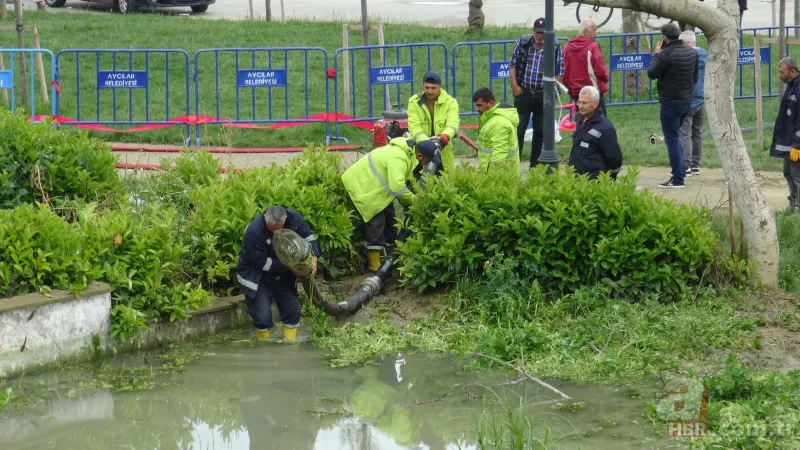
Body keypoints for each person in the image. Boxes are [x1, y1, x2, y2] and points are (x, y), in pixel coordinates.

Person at [341, 137, 438, 271]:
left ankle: (389, 260)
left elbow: (407, 180)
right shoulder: (398, 158)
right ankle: (374, 265)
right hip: (363, 186)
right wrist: (416, 201)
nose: (426, 164)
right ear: (420, 155)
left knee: (392, 221)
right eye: (426, 161)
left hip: (376, 188)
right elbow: (398, 187)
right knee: (377, 223)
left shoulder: (410, 153)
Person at [236, 205, 320, 341]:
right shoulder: (253, 232)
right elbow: (262, 262)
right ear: (265, 217)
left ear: (285, 218)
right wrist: (293, 268)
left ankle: (290, 347)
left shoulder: (293, 219)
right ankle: (264, 349)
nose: (276, 232)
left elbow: (309, 238)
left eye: (279, 228)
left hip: (283, 276)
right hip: (259, 277)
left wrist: (314, 260)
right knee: (262, 316)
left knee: (292, 311)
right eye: (272, 228)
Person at [647, 23, 698, 189]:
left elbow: (652, 73)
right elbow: (694, 78)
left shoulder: (664, 55)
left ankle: (677, 179)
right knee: (676, 137)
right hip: (686, 102)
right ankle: (680, 172)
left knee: (672, 140)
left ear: (664, 38)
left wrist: (656, 54)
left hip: (670, 103)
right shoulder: (692, 53)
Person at [509, 17, 565, 169]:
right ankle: (515, 162)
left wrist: (555, 87)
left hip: (543, 94)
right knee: (519, 129)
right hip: (524, 92)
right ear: (533, 31)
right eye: (537, 32)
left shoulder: (555, 46)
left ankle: (535, 165)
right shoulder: (524, 43)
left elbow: (560, 69)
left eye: (543, 33)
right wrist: (515, 85)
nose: (539, 36)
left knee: (540, 131)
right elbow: (513, 64)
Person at [407, 71, 460, 173]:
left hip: (443, 152)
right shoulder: (414, 102)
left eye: (433, 88)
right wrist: (427, 144)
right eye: (427, 88)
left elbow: (453, 123)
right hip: (421, 153)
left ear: (440, 86)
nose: (430, 91)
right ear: (423, 85)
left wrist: (446, 135)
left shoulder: (451, 102)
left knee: (446, 182)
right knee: (420, 183)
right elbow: (414, 126)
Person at [458, 88, 520, 174]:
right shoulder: (491, 118)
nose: (476, 109)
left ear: (490, 103)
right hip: (497, 172)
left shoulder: (498, 123)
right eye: (476, 105)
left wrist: (492, 177)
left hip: (500, 175)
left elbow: (499, 154)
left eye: (479, 105)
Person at [568, 86, 622, 179]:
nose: (580, 106)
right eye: (579, 102)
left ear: (595, 103)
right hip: (577, 179)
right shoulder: (579, 119)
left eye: (584, 103)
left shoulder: (605, 127)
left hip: (594, 182)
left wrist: (608, 180)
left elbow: (614, 159)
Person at [769, 57, 800, 214]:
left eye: (782, 72)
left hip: (796, 145)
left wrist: (797, 145)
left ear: (792, 71)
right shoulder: (791, 86)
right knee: (788, 173)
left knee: (797, 177)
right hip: (788, 142)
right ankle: (793, 204)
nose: (779, 75)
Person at [563, 18, 609, 116]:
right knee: (600, 122)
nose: (596, 33)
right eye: (594, 29)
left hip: (576, 93)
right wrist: (606, 78)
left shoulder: (567, 48)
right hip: (593, 92)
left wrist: (570, 89)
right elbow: (600, 70)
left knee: (581, 122)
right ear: (586, 31)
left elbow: (564, 71)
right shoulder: (593, 47)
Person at [678, 30, 707, 177]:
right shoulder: (704, 55)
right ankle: (696, 165)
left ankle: (686, 165)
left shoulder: (686, 57)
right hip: (701, 99)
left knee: (684, 134)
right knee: (697, 133)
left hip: (688, 99)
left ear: (684, 43)